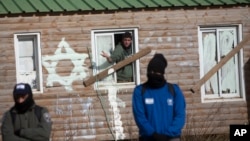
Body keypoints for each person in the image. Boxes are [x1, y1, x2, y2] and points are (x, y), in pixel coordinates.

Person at [132, 54, 186, 141]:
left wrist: (168, 134)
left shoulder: (174, 90)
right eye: (150, 71)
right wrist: (152, 133)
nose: (152, 74)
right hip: (148, 137)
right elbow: (139, 116)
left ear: (162, 73)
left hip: (171, 138)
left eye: (156, 72)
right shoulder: (140, 91)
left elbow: (180, 115)